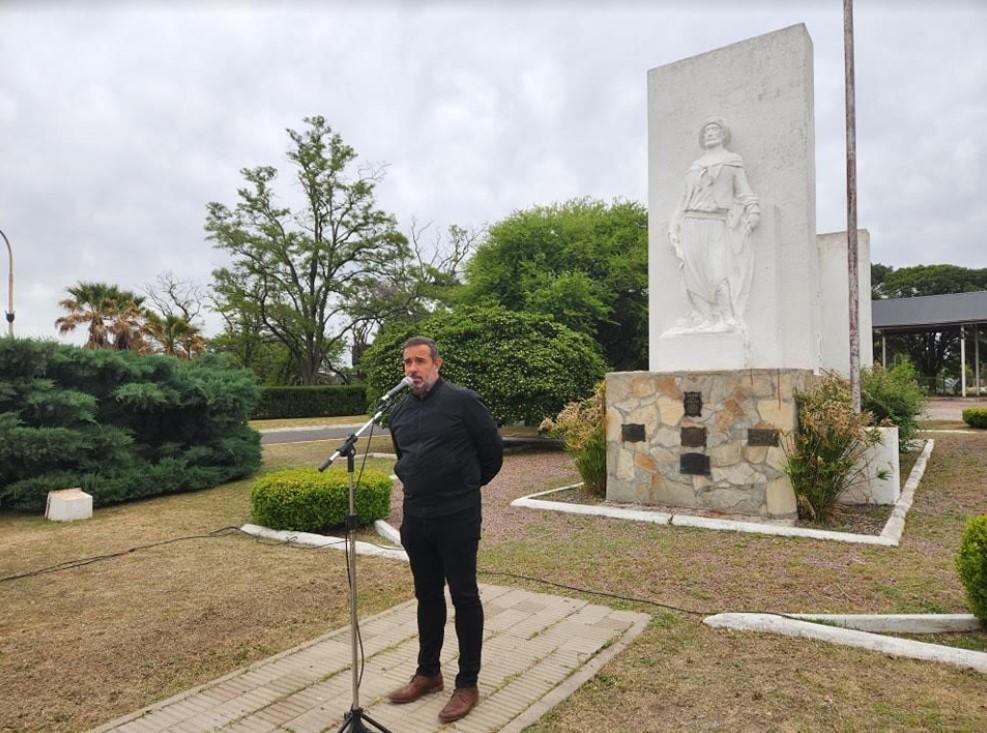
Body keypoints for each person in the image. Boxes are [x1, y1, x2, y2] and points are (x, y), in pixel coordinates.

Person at [385, 336, 503, 724]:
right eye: (407, 363)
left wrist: (464, 487)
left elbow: (492, 454)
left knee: (464, 596)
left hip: (457, 515)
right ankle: (428, 673)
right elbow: (406, 459)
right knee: (426, 596)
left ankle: (467, 682)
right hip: (417, 518)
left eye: (420, 361)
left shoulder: (462, 402)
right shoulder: (398, 414)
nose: (413, 369)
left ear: (437, 364)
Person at [667, 115, 760, 334]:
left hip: (715, 222)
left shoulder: (732, 161)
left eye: (714, 130)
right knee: (691, 273)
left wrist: (753, 210)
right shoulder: (695, 167)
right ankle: (704, 318)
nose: (709, 133)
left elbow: (744, 190)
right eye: (706, 131)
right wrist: (675, 226)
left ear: (723, 135)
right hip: (691, 222)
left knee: (717, 272)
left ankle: (727, 319)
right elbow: (683, 200)